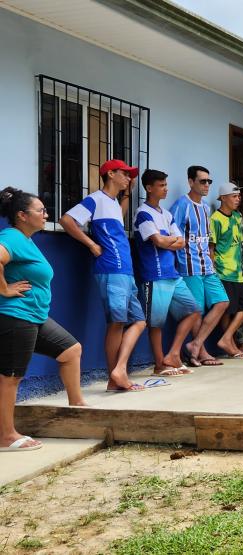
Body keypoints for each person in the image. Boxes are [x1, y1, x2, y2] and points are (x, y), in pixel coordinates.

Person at [0, 187, 86, 451]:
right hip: (16, 316)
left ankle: (78, 407)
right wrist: (4, 289)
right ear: (22, 215)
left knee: (71, 350)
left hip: (35, 316)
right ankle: (6, 436)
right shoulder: (12, 236)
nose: (45, 213)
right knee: (11, 376)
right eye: (41, 210)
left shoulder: (26, 239)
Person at [60, 159, 146, 392]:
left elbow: (117, 214)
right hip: (111, 268)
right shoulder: (95, 199)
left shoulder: (113, 203)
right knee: (117, 323)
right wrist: (91, 244)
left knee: (138, 321)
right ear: (110, 174)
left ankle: (118, 372)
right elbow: (66, 220)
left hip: (124, 270)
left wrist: (127, 195)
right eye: (125, 174)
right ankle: (116, 375)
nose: (129, 178)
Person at [134, 169, 202, 375]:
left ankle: (172, 355)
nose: (166, 189)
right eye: (161, 185)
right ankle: (159, 365)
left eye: (166, 184)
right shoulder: (143, 213)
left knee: (193, 310)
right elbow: (160, 241)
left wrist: (167, 242)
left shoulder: (167, 214)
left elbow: (181, 242)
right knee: (155, 323)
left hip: (172, 274)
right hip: (154, 275)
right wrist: (168, 241)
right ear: (149, 188)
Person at [169, 165, 228, 366]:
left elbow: (207, 238)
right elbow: (171, 235)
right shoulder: (181, 205)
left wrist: (211, 259)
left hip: (207, 266)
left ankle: (196, 344)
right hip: (189, 266)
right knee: (197, 310)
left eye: (209, 181)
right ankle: (201, 352)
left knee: (222, 302)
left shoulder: (205, 208)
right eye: (202, 181)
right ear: (190, 182)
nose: (206, 185)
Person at [211, 182, 243, 358]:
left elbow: (242, 241)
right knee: (228, 309)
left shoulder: (238, 216)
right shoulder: (215, 219)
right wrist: (214, 269)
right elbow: (211, 248)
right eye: (234, 196)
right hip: (223, 270)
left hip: (238, 271)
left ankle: (227, 338)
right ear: (223, 198)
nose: (238, 199)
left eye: (239, 196)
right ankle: (229, 343)